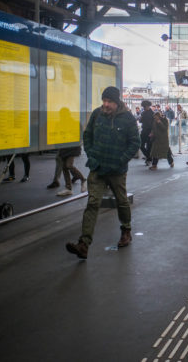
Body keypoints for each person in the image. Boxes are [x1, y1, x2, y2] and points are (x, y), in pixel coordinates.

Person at [65, 86, 140, 259]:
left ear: (117, 102)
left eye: (109, 102)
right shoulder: (97, 114)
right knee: (92, 203)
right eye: (104, 101)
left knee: (121, 201)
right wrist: (92, 156)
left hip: (117, 170)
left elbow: (135, 142)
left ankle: (126, 231)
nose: (105, 104)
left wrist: (120, 161)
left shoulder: (127, 118)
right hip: (97, 168)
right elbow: (88, 135)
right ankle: (83, 244)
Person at [139, 100, 154, 165]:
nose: (144, 108)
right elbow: (140, 121)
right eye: (143, 107)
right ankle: (149, 157)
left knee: (149, 146)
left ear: (148, 106)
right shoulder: (143, 113)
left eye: (145, 106)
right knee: (140, 145)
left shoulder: (152, 113)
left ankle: (149, 159)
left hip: (150, 131)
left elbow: (154, 124)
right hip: (144, 130)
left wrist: (152, 132)